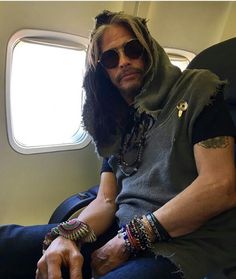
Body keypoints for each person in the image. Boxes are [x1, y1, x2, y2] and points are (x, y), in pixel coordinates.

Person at [1, 10, 236, 279]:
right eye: (111, 58)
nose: (123, 61)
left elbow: (220, 186)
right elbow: (106, 200)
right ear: (103, 71)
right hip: (123, 229)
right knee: (7, 243)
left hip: (186, 244)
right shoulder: (115, 124)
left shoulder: (198, 89)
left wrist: (128, 240)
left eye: (132, 49)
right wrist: (65, 236)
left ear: (148, 50)